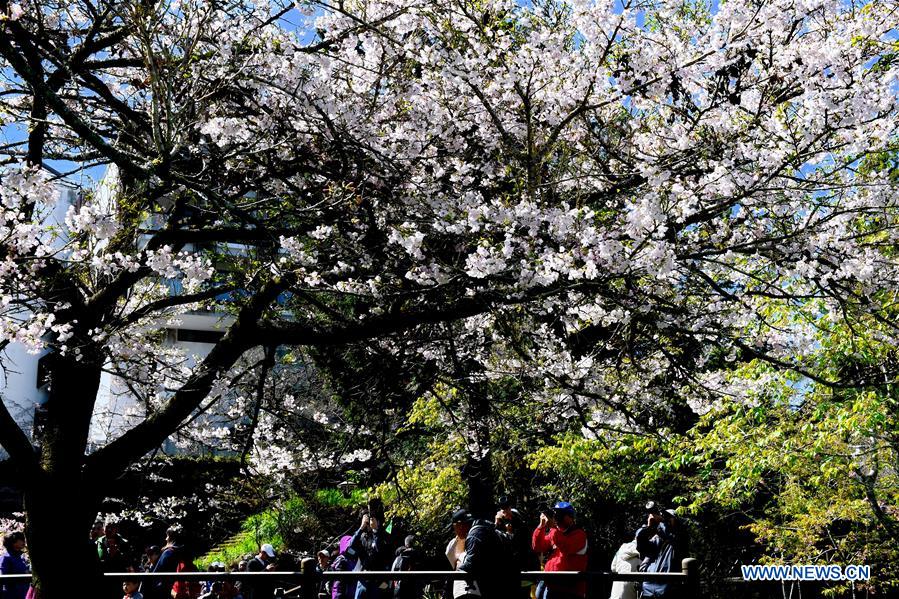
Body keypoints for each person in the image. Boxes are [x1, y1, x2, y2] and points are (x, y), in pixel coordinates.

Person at [531, 502, 589, 599]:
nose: (556, 517)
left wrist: (553, 528)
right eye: (555, 514)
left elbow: (566, 548)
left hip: (569, 590)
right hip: (551, 585)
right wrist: (541, 527)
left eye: (559, 514)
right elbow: (538, 547)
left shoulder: (579, 535)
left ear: (569, 517)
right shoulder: (557, 532)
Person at [458, 511, 517, 599]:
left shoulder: (474, 536)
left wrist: (459, 566)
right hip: (505, 582)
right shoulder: (489, 530)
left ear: (460, 525)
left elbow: (471, 564)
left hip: (492, 586)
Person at [635, 508, 685, 599]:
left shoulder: (680, 538)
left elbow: (670, 535)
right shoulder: (657, 540)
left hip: (667, 591)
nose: (666, 520)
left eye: (669, 517)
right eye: (664, 517)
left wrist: (661, 521)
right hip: (648, 590)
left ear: (677, 521)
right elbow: (641, 546)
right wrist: (648, 527)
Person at [495, 498, 538, 599]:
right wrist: (497, 524)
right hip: (506, 575)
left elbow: (519, 543)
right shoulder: (499, 526)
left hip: (522, 573)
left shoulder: (520, 524)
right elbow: (493, 542)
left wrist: (511, 528)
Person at [350, 512, 393, 599]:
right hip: (363, 580)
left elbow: (380, 550)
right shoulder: (363, 536)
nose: (370, 520)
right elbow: (351, 546)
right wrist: (361, 527)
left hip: (379, 580)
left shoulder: (385, 537)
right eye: (369, 518)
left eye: (373, 518)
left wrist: (376, 529)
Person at [0, 532, 29, 599]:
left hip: (24, 593)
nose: (24, 541)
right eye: (21, 539)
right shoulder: (5, 558)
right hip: (11, 594)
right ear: (13, 542)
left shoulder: (21, 557)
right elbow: (2, 578)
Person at [331, 535, 358, 599]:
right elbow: (339, 581)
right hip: (341, 593)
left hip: (350, 592)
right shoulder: (341, 559)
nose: (351, 549)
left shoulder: (353, 559)